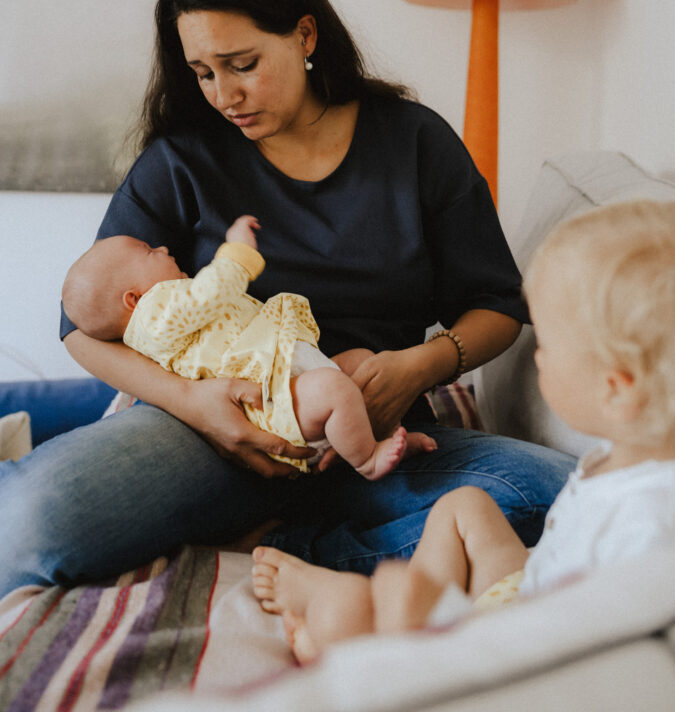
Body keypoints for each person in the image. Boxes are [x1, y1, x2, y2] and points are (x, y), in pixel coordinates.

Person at [0, 0, 574, 604]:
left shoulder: (413, 142)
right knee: (25, 522)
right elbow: (80, 327)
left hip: (371, 436)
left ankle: (290, 546)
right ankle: (272, 522)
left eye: (241, 64)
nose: (223, 95)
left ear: (303, 35)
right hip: (211, 433)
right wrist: (199, 408)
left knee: (562, 496)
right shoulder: (184, 160)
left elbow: (497, 306)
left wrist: (421, 365)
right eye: (203, 73)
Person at [252, 199, 675, 663]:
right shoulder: (626, 457)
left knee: (390, 592)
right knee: (466, 507)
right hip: (532, 592)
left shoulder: (648, 525)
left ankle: (349, 627)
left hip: (526, 645)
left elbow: (590, 657)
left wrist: (459, 619)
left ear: (617, 391)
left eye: (549, 346)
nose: (538, 357)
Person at [61, 215, 435, 480]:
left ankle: (382, 438)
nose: (161, 247)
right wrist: (235, 250)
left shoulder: (169, 307)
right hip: (272, 403)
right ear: (133, 299)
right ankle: (367, 461)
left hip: (288, 369)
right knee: (335, 389)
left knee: (360, 362)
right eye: (147, 251)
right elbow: (213, 292)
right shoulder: (156, 317)